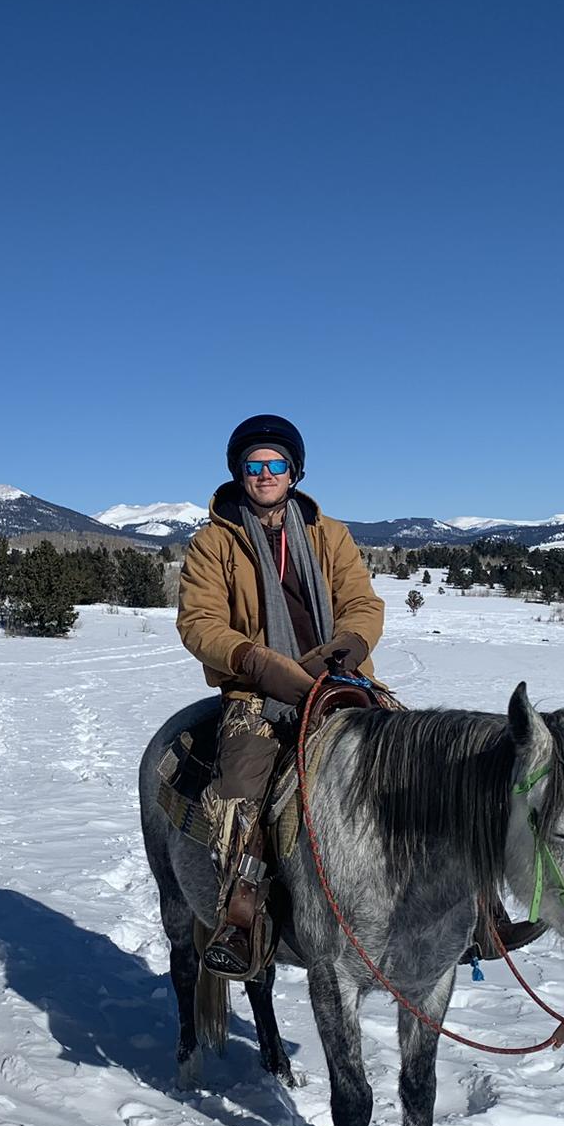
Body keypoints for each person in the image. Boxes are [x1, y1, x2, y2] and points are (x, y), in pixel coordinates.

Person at [175, 413, 385, 979]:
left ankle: (476, 914)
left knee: (419, 758)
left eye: (275, 464)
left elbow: (363, 603)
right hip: (257, 691)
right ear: (239, 474)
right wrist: (260, 663)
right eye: (253, 465)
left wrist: (346, 647)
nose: (265, 473)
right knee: (243, 784)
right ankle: (242, 913)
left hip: (340, 677)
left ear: (294, 472)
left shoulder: (328, 534)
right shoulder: (213, 543)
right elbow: (200, 623)